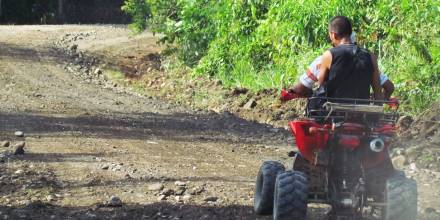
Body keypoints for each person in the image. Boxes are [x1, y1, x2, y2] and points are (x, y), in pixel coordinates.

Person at [284, 31, 394, 101]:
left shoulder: (323, 60)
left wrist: (288, 94)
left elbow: (301, 88)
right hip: (361, 116)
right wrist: (383, 99)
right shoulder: (367, 62)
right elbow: (389, 87)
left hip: (331, 113)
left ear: (334, 38)